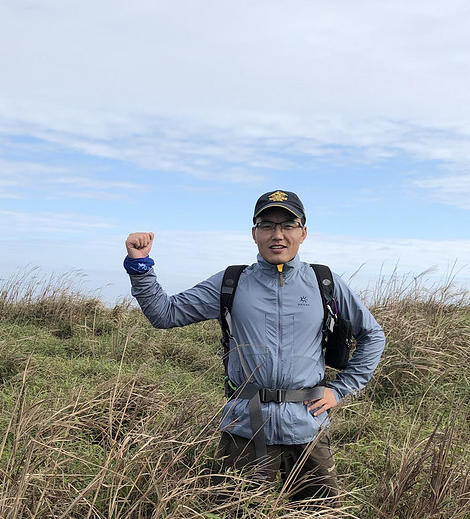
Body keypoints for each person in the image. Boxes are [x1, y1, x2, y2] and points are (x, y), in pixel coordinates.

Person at [124, 190, 386, 503]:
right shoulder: (231, 282)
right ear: (254, 234)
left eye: (288, 225)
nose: (278, 235)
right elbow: (165, 314)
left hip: (307, 424)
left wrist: (341, 390)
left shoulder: (324, 281)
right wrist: (140, 267)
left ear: (303, 233)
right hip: (245, 426)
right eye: (267, 226)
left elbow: (372, 335)